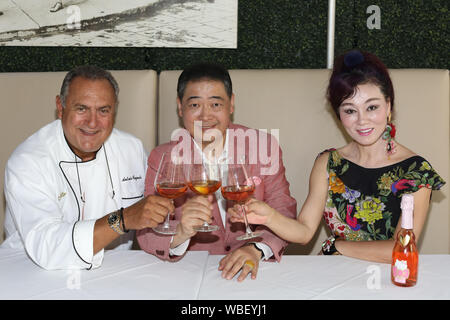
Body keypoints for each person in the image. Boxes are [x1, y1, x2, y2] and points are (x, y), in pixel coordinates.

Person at [229, 50, 446, 263]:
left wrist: (337, 246)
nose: (362, 121)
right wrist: (269, 217)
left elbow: (401, 248)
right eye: (350, 110)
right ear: (339, 115)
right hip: (335, 274)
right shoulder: (328, 163)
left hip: (390, 280)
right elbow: (304, 232)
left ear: (388, 106)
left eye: (372, 107)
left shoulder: (416, 172)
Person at [136, 62, 297, 281]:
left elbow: (284, 210)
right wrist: (181, 232)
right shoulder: (162, 157)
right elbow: (145, 230)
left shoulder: (263, 147)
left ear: (231, 104)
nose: (205, 116)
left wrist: (257, 248)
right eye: (194, 105)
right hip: (188, 274)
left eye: (215, 104)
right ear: (180, 107)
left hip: (254, 274)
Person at [2, 65, 173, 270]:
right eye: (81, 108)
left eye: (103, 110)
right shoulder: (28, 162)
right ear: (60, 106)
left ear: (114, 109)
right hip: (31, 272)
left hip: (112, 270)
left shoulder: (131, 149)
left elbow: (156, 217)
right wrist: (122, 219)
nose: (92, 123)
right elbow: (47, 247)